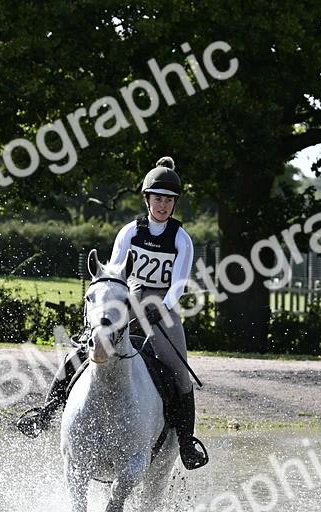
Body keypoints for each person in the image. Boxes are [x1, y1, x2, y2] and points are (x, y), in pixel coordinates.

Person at [16, 156, 208, 470]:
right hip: (127, 298)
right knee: (78, 354)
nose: (163, 205)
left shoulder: (180, 238)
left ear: (174, 203)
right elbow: (115, 272)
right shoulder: (130, 231)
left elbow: (178, 283)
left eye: (169, 200)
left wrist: (161, 308)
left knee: (180, 376)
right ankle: (44, 415)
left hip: (162, 305)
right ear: (147, 200)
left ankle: (186, 444)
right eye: (158, 199)